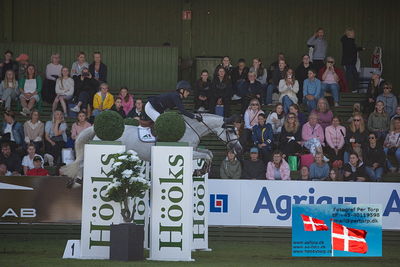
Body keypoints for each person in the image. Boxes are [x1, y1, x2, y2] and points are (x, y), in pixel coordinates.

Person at [341, 28, 365, 93]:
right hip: (349, 62)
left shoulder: (347, 40)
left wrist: (360, 48)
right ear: (349, 34)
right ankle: (348, 89)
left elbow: (353, 49)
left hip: (350, 63)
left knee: (354, 76)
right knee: (350, 76)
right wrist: (360, 48)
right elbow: (353, 50)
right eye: (353, 33)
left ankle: (353, 89)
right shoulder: (349, 41)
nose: (354, 34)